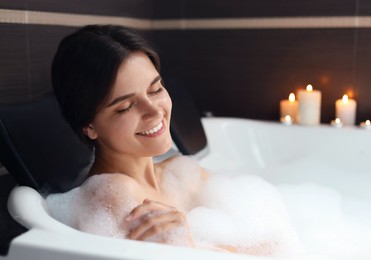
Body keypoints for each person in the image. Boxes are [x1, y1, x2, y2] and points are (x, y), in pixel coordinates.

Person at [49, 24, 300, 256]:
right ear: (89, 126)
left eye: (155, 89)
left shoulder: (179, 173)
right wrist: (190, 251)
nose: (155, 110)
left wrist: (194, 247)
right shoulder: (112, 196)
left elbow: (276, 246)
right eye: (126, 106)